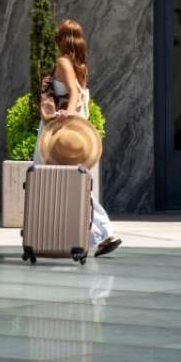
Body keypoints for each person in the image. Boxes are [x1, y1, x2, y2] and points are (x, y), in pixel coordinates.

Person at [37, 17, 121, 257]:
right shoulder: (81, 65)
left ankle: (101, 233)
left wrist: (67, 113)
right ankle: (94, 235)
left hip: (62, 132)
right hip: (78, 131)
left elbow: (73, 93)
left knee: (56, 179)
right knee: (75, 183)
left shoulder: (63, 62)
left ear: (61, 39)